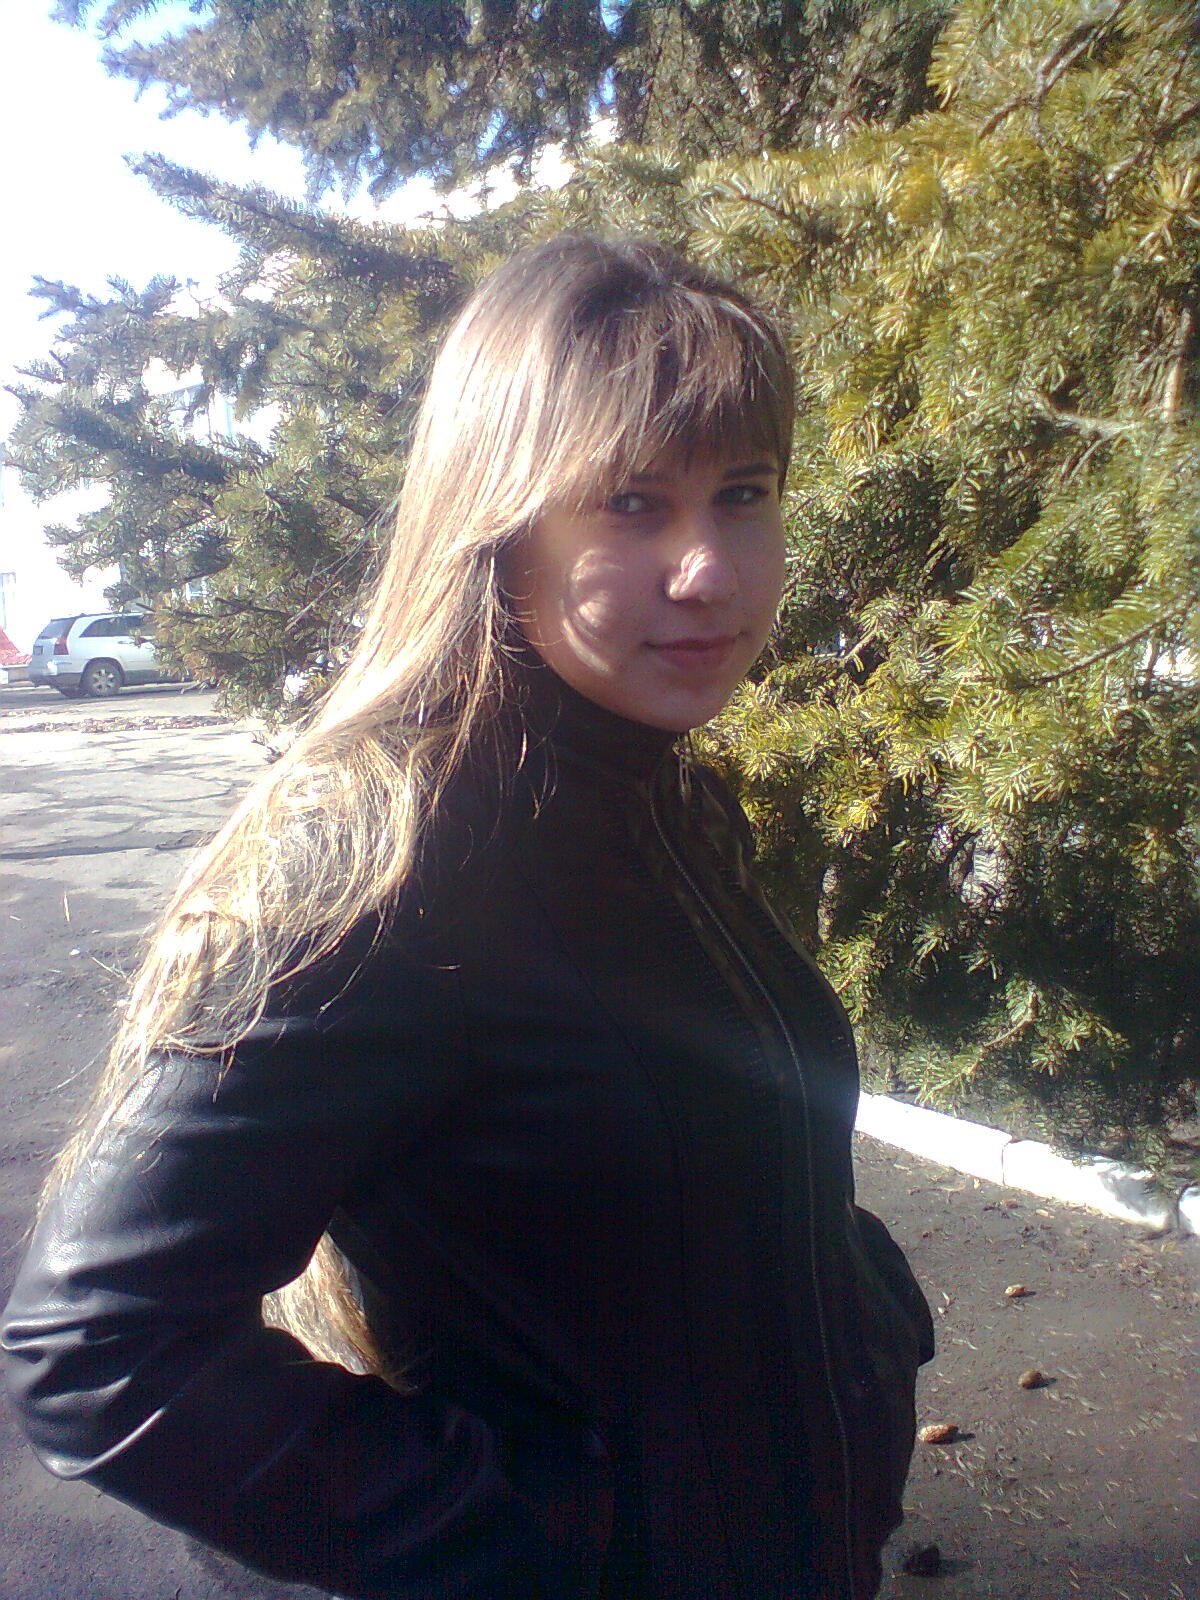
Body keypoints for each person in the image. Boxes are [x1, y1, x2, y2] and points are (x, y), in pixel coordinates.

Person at [1, 235, 933, 1600]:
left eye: (743, 494)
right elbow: (100, 1350)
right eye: (631, 504)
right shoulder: (387, 861)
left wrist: (869, 1333)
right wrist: (546, 1550)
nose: (708, 570)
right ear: (496, 523)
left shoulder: (666, 797)